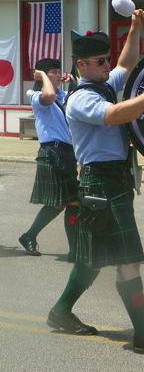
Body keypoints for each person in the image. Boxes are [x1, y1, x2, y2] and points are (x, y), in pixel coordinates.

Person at [46, 10, 144, 356]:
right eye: (99, 60)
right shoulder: (81, 98)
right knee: (129, 259)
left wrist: (135, 29)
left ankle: (61, 312)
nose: (107, 64)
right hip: (100, 182)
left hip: (114, 181)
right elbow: (116, 115)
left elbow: (126, 62)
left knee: (93, 260)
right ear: (81, 65)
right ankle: (143, 334)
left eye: (107, 58)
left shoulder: (104, 83)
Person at [19, 58, 79, 259]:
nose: (57, 74)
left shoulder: (62, 95)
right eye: (53, 71)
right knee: (63, 203)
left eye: (57, 71)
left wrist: (75, 82)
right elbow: (49, 95)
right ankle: (30, 236)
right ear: (42, 75)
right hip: (52, 152)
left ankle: (73, 249)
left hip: (67, 153)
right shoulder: (38, 97)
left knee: (72, 203)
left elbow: (77, 103)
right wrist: (43, 75)